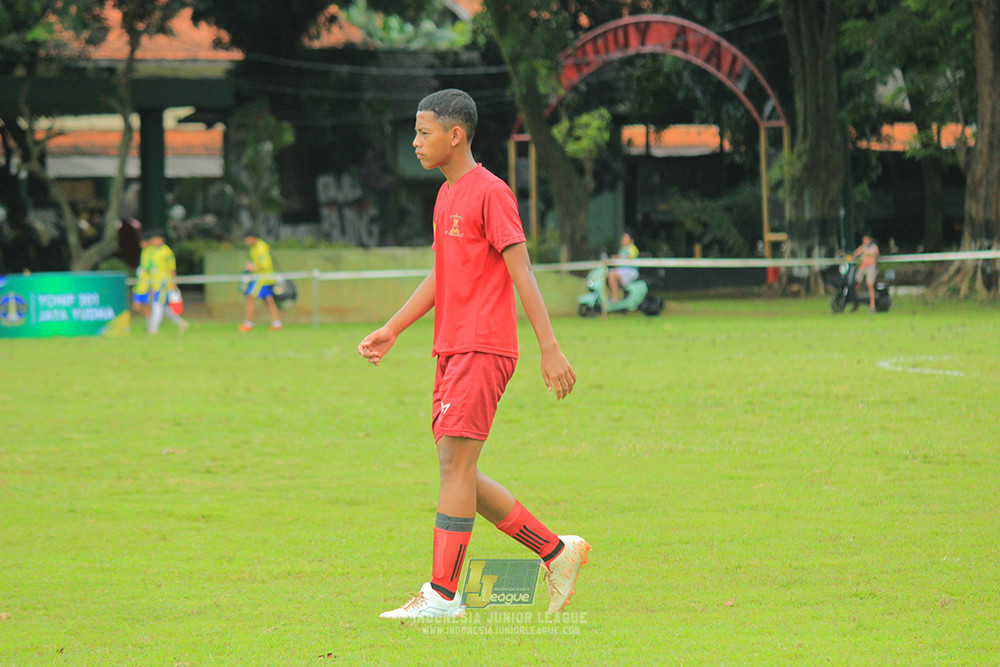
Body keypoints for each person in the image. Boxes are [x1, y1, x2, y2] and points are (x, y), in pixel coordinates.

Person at [357, 89, 590, 620]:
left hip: (484, 347)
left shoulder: (492, 192)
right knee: (458, 469)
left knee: (454, 466)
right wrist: (394, 328)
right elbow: (442, 273)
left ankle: (442, 594)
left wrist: (549, 348)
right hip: (451, 348)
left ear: (454, 134)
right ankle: (557, 551)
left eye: (423, 132)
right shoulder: (445, 196)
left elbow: (522, 271)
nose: (415, 142)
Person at [146, 231, 189, 334]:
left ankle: (153, 329)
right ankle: (182, 323)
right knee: (165, 307)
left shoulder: (166, 252)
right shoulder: (150, 251)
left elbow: (172, 268)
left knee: (157, 305)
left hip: (164, 283)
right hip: (155, 283)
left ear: (161, 240)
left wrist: (173, 282)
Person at [240, 233, 282, 332]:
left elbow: (265, 265)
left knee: (250, 297)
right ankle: (277, 323)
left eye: (248, 239)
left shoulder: (260, 248)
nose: (247, 242)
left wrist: (253, 267)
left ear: (253, 238)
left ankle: (248, 323)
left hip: (262, 279)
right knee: (269, 300)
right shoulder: (255, 247)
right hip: (265, 277)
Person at [608, 231, 640, 302]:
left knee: (611, 275)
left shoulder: (632, 248)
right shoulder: (622, 249)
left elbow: (631, 257)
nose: (623, 240)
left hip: (630, 271)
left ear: (631, 240)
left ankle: (615, 297)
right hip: (622, 271)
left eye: (625, 238)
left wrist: (618, 257)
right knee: (610, 273)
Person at [852, 233, 880, 312]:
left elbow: (876, 254)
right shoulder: (862, 247)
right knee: (856, 283)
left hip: (870, 267)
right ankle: (855, 302)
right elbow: (855, 253)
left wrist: (869, 254)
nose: (865, 241)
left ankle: (872, 305)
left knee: (870, 285)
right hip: (863, 267)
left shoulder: (873, 247)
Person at [131, 237, 153, 320]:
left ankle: (150, 323)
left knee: (146, 304)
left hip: (147, 284)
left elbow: (152, 268)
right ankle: (150, 319)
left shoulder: (152, 252)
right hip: (140, 285)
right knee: (137, 306)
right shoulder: (144, 252)